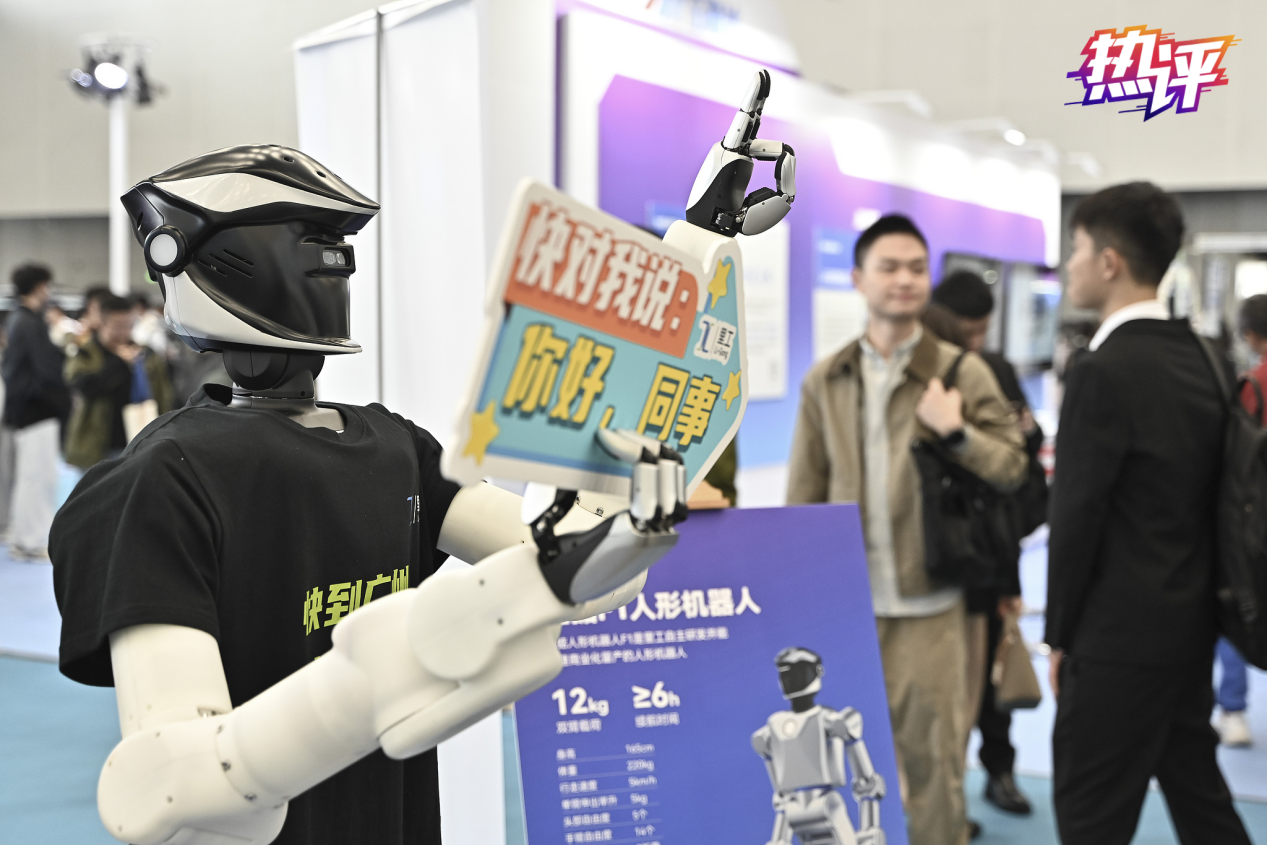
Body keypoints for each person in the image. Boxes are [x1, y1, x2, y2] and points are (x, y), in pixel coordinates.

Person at [788, 214, 1026, 845]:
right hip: (851, 608)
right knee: (851, 773)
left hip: (932, 604)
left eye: (917, 268)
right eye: (889, 267)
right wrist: (801, 600)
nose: (905, 280)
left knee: (935, 769)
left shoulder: (960, 371)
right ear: (857, 278)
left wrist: (957, 432)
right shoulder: (826, 378)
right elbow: (804, 497)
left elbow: (1012, 467)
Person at [1045, 182, 1250, 844]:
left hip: (1113, 641)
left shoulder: (1100, 369)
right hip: (1192, 627)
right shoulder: (1207, 357)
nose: (1069, 264)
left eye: (1077, 248)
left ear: (1109, 262)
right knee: (1200, 799)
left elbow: (1076, 517)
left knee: (1090, 818)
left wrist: (1058, 635)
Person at [931, 269, 1045, 817]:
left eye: (982, 331)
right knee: (938, 688)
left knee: (994, 671)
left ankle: (999, 771)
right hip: (932, 552)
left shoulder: (995, 371)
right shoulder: (917, 374)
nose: (974, 343)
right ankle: (944, 797)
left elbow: (1022, 459)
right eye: (966, 332)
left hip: (991, 547)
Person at [1214, 293, 1267, 749]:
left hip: (1254, 522)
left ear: (1249, 336)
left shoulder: (1251, 386)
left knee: (1237, 600)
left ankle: (1233, 710)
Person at [1, 263, 70, 560]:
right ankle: (30, 541)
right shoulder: (29, 322)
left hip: (26, 410)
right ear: (40, 287)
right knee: (37, 478)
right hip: (36, 410)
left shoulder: (19, 319)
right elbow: (47, 370)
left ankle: (22, 537)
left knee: (29, 477)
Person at [64, 294, 173, 468]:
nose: (123, 332)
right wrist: (119, 363)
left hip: (138, 441)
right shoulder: (86, 352)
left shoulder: (146, 354)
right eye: (117, 326)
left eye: (128, 325)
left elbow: (164, 395)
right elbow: (84, 387)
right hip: (96, 445)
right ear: (102, 323)